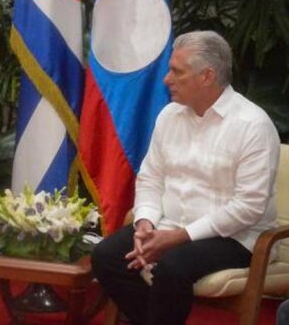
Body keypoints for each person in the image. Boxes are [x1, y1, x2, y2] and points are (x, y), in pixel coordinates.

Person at [91, 30, 281, 325]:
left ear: (206, 76)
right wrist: (145, 223)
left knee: (171, 266)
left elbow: (248, 207)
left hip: (235, 237)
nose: (167, 79)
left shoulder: (252, 125)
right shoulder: (169, 116)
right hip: (170, 225)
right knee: (106, 255)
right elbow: (151, 177)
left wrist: (178, 237)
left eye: (176, 72)